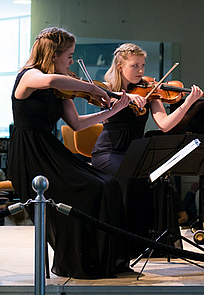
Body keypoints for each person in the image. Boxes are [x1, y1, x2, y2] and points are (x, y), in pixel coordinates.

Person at [7, 27, 134, 279]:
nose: (72, 61)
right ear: (53, 54)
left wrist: (113, 110)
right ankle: (79, 260)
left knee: (107, 184)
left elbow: (76, 124)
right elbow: (51, 80)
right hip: (29, 153)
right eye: (69, 55)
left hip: (49, 149)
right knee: (89, 189)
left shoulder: (62, 85)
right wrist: (94, 89)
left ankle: (103, 260)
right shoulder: (29, 76)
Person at [90, 43, 203, 256]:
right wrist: (122, 99)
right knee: (130, 177)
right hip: (108, 152)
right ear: (120, 66)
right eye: (134, 66)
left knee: (157, 180)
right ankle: (124, 245)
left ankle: (150, 243)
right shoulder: (105, 88)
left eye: (142, 65)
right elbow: (102, 102)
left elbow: (165, 124)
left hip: (134, 153)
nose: (141, 71)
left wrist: (187, 102)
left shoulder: (150, 91)